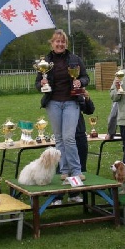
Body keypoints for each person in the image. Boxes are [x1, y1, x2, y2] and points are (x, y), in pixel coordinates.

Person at [35, 29, 89, 184]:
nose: (60, 44)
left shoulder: (75, 59)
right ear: (52, 43)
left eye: (63, 41)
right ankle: (64, 170)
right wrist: (42, 84)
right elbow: (37, 83)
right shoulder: (45, 61)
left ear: (66, 43)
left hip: (71, 102)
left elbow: (85, 77)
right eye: (57, 41)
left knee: (69, 137)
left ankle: (77, 170)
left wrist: (81, 82)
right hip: (53, 103)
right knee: (59, 138)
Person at [52, 88, 95, 205]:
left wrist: (86, 97)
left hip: (79, 134)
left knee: (80, 166)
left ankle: (75, 194)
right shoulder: (58, 99)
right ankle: (58, 196)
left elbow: (90, 110)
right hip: (63, 137)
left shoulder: (76, 93)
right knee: (61, 167)